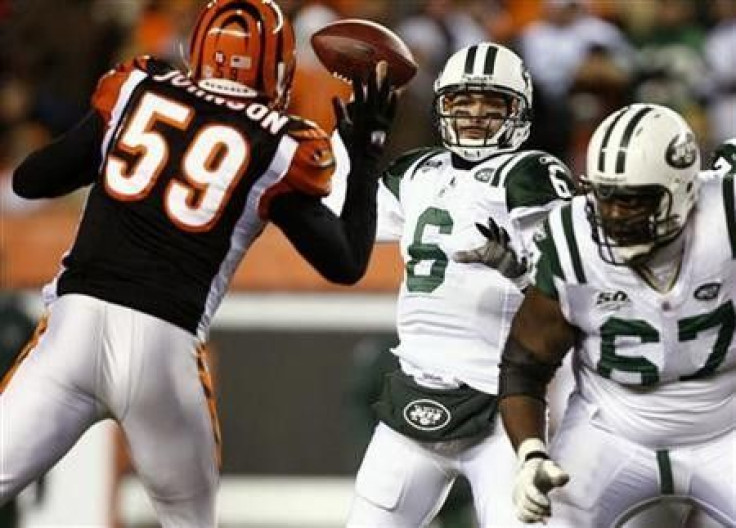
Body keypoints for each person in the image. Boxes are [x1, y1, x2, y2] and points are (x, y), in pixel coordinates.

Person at [2, 0, 397, 526]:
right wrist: (365, 160)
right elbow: (345, 263)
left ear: (198, 48)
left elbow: (31, 181)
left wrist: (119, 152)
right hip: (163, 348)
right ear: (276, 65)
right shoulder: (277, 143)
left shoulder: (137, 90)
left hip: (72, 328)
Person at [339, 43, 575, 527]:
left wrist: (517, 269)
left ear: (520, 111)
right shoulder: (416, 171)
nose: (474, 114)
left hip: (504, 409)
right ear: (441, 105)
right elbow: (345, 221)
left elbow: (573, 285)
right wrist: (354, 152)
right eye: (462, 101)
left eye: (493, 104)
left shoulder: (530, 175)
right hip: (415, 395)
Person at [498, 103, 736, 527]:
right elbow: (524, 365)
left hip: (726, 430)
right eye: (605, 197)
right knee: (532, 520)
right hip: (610, 432)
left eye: (634, 201)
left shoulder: (727, 215)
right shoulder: (572, 239)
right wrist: (531, 453)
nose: (614, 215)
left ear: (683, 189)